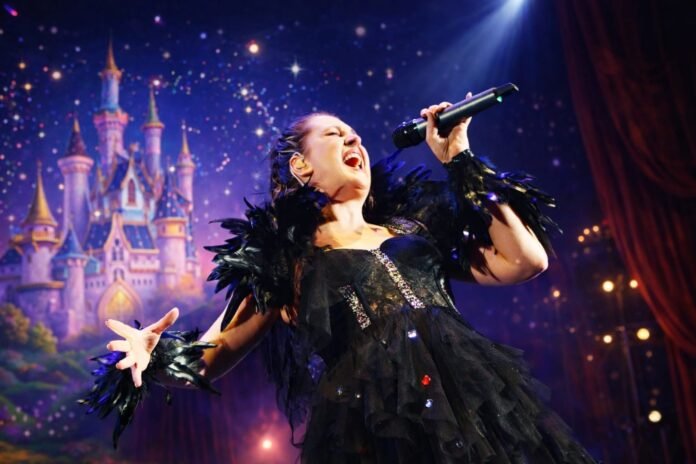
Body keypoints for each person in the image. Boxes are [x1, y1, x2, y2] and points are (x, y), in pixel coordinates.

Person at [82, 99, 598, 463]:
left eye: (355, 134)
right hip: (374, 431)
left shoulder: (414, 229)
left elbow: (525, 260)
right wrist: (155, 356)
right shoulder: (286, 258)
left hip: (472, 410)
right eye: (334, 134)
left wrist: (459, 160)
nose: (355, 139)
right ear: (300, 167)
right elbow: (210, 357)